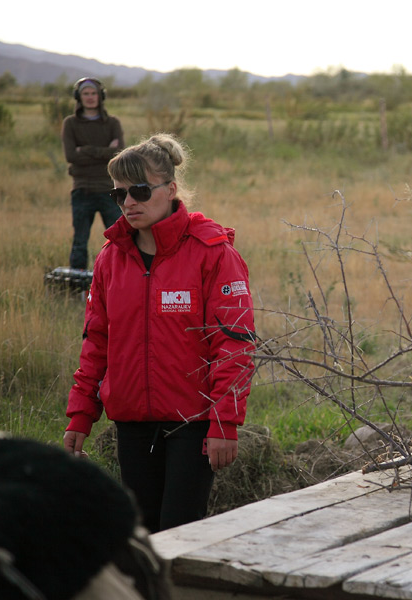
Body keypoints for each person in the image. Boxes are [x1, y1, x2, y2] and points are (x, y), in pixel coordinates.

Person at [63, 133, 256, 533]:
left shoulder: (213, 253)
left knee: (179, 534)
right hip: (132, 425)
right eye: (119, 194)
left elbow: (234, 345)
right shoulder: (110, 259)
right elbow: (96, 343)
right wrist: (80, 415)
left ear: (170, 189)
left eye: (139, 191)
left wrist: (224, 422)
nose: (128, 203)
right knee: (144, 536)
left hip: (193, 425)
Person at [61, 77, 124, 270]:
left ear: (101, 96)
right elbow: (71, 156)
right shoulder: (70, 124)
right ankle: (76, 281)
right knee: (80, 241)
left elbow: (118, 154)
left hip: (109, 190)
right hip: (83, 190)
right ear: (78, 97)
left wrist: (85, 150)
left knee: (121, 239)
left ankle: (122, 275)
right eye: (85, 93)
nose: (90, 97)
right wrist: (105, 151)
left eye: (94, 93)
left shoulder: (112, 123)